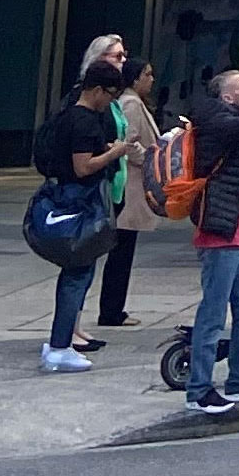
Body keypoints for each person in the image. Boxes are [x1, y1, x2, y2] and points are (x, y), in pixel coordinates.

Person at [165, 66, 239, 412]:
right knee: (214, 312)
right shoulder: (215, 117)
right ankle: (199, 389)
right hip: (219, 228)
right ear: (227, 96)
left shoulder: (235, 120)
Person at [34, 58, 142, 373]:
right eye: (109, 93)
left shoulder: (72, 116)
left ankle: (61, 341)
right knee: (77, 273)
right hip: (78, 201)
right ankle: (59, 345)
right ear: (96, 90)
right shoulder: (83, 121)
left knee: (77, 271)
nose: (110, 101)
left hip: (73, 197)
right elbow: (83, 166)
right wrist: (114, 152)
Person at [94, 40, 168, 331]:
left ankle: (114, 308)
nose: (151, 79)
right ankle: (111, 310)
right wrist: (150, 157)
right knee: (120, 251)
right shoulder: (130, 104)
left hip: (135, 183)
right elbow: (129, 141)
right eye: (147, 74)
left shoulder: (135, 103)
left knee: (124, 251)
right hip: (130, 184)